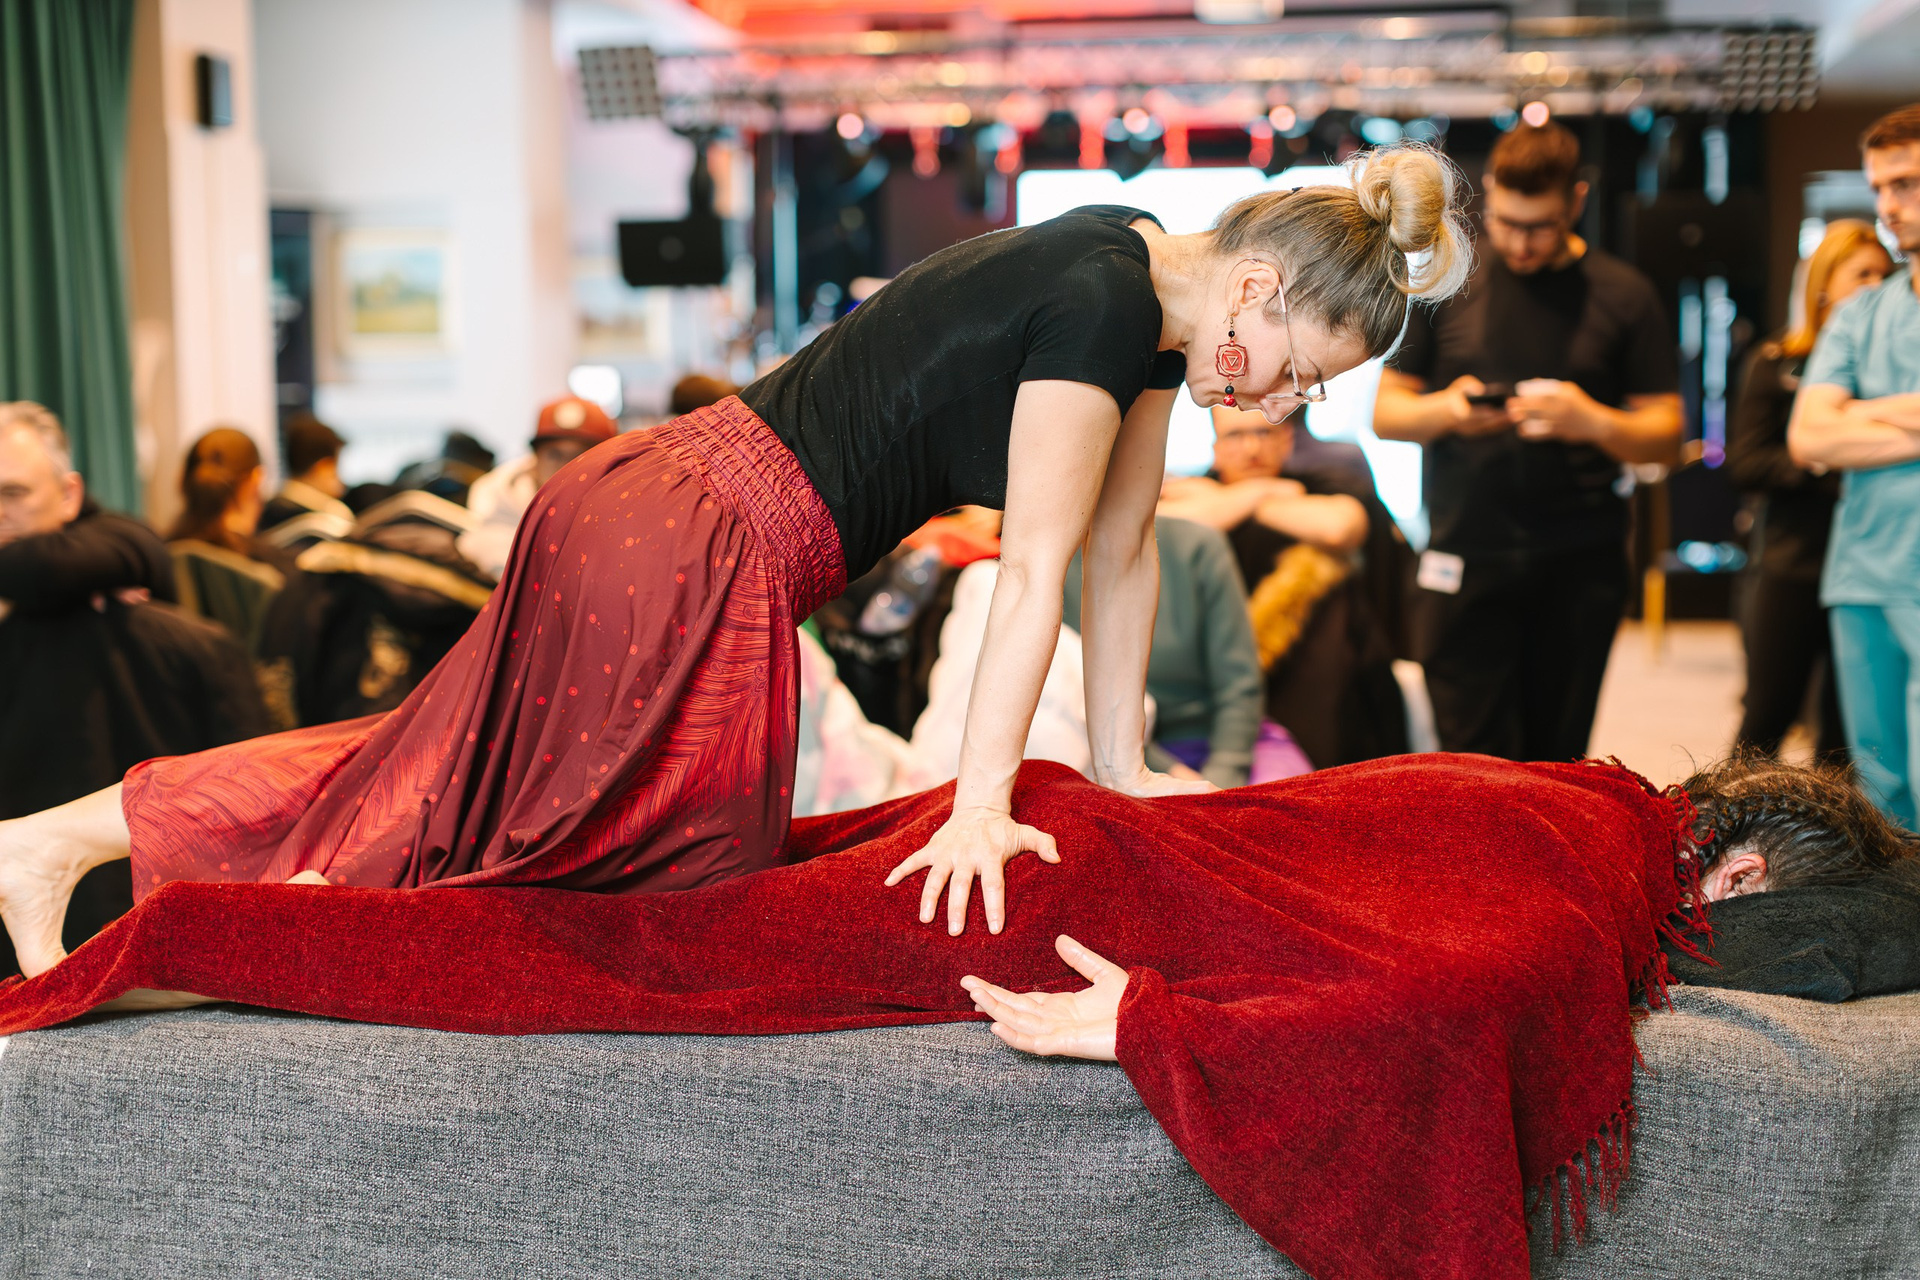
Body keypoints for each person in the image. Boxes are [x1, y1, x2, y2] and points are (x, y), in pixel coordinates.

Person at [0, 143, 1473, 989]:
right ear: (1260, 284)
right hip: (697, 540)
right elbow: (1035, 571)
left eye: (1309, 392)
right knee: (558, 871)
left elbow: (1122, 550)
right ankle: (208, 942)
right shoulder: (1104, 307)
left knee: (448, 772)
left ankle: (73, 842)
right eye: (1298, 364)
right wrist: (980, 804)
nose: (1283, 401)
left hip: (675, 517)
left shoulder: (1143, 284)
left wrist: (1120, 767)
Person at [1375, 121, 1683, 763]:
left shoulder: (1625, 295)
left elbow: (1666, 436)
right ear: (1489, 190)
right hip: (1464, 555)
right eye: (1506, 222)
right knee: (1469, 762)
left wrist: (1590, 420)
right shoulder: (1446, 282)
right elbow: (1387, 414)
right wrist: (1450, 411)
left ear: (1577, 200)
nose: (1519, 243)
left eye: (1539, 226)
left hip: (1579, 564)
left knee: (1556, 760)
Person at [0, 402, 266, 970]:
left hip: (146, 932)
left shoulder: (142, 596)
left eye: (13, 493)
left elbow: (248, 802)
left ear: (70, 495)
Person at [1788, 103, 1920, 828]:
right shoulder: (1860, 315)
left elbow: (1837, 423)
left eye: (1906, 183)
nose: (1888, 206)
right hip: (1864, 569)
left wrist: (1863, 412)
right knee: (1880, 790)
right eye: (1879, 188)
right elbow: (1811, 436)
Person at [1159, 405, 1408, 768]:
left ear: (1286, 440)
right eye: (1235, 435)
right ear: (1216, 447)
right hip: (1209, 674)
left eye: (1263, 433)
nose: (1251, 449)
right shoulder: (1191, 490)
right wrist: (1262, 493)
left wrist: (1242, 499)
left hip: (1317, 673)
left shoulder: (1322, 484)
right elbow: (1165, 526)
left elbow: (1338, 528)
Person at [1728, 220, 1893, 760]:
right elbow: (1748, 463)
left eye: (1883, 275)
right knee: (1766, 720)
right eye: (1862, 274)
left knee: (1847, 737)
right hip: (1792, 563)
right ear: (1824, 284)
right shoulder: (1777, 362)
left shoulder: (1889, 373)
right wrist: (1825, 458)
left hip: (1868, 565)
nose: (1876, 286)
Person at [1064, 516, 1268, 788]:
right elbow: (1071, 702)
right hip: (1112, 753)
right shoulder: (1054, 562)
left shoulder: (1197, 546)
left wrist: (1224, 775)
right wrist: (1167, 771)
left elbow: (1239, 685)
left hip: (1222, 741)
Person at [456, 396, 618, 580]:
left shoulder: (624, 521)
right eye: (554, 454)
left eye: (582, 455)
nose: (567, 467)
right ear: (535, 460)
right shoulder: (497, 508)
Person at [259, 412, 352, 536]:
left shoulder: (263, 511)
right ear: (323, 468)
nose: (341, 480)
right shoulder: (334, 517)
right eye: (336, 469)